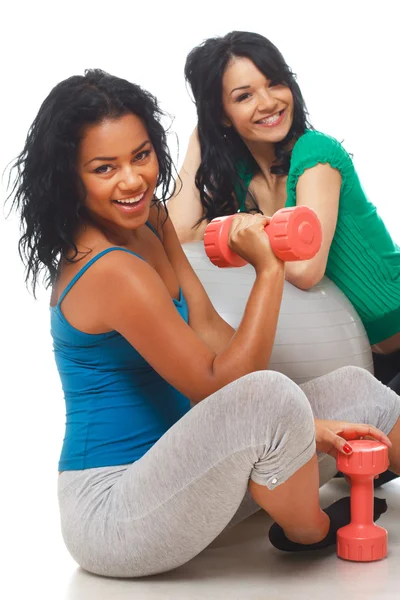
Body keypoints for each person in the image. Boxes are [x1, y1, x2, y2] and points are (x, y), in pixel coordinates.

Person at [9, 68, 400, 579]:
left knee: (355, 389)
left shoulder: (152, 220)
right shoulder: (110, 270)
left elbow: (213, 334)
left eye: (141, 156)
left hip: (188, 469)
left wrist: (303, 424)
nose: (132, 180)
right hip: (116, 512)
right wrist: (268, 269)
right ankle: (313, 533)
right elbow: (225, 385)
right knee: (271, 399)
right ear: (69, 177)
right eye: (105, 168)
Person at [168, 31, 400, 401]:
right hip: (365, 361)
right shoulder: (243, 179)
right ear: (222, 115)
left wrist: (245, 236)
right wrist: (202, 134)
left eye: (275, 83)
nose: (268, 102)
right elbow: (178, 235)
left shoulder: (315, 153)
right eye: (244, 96)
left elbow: (307, 269)